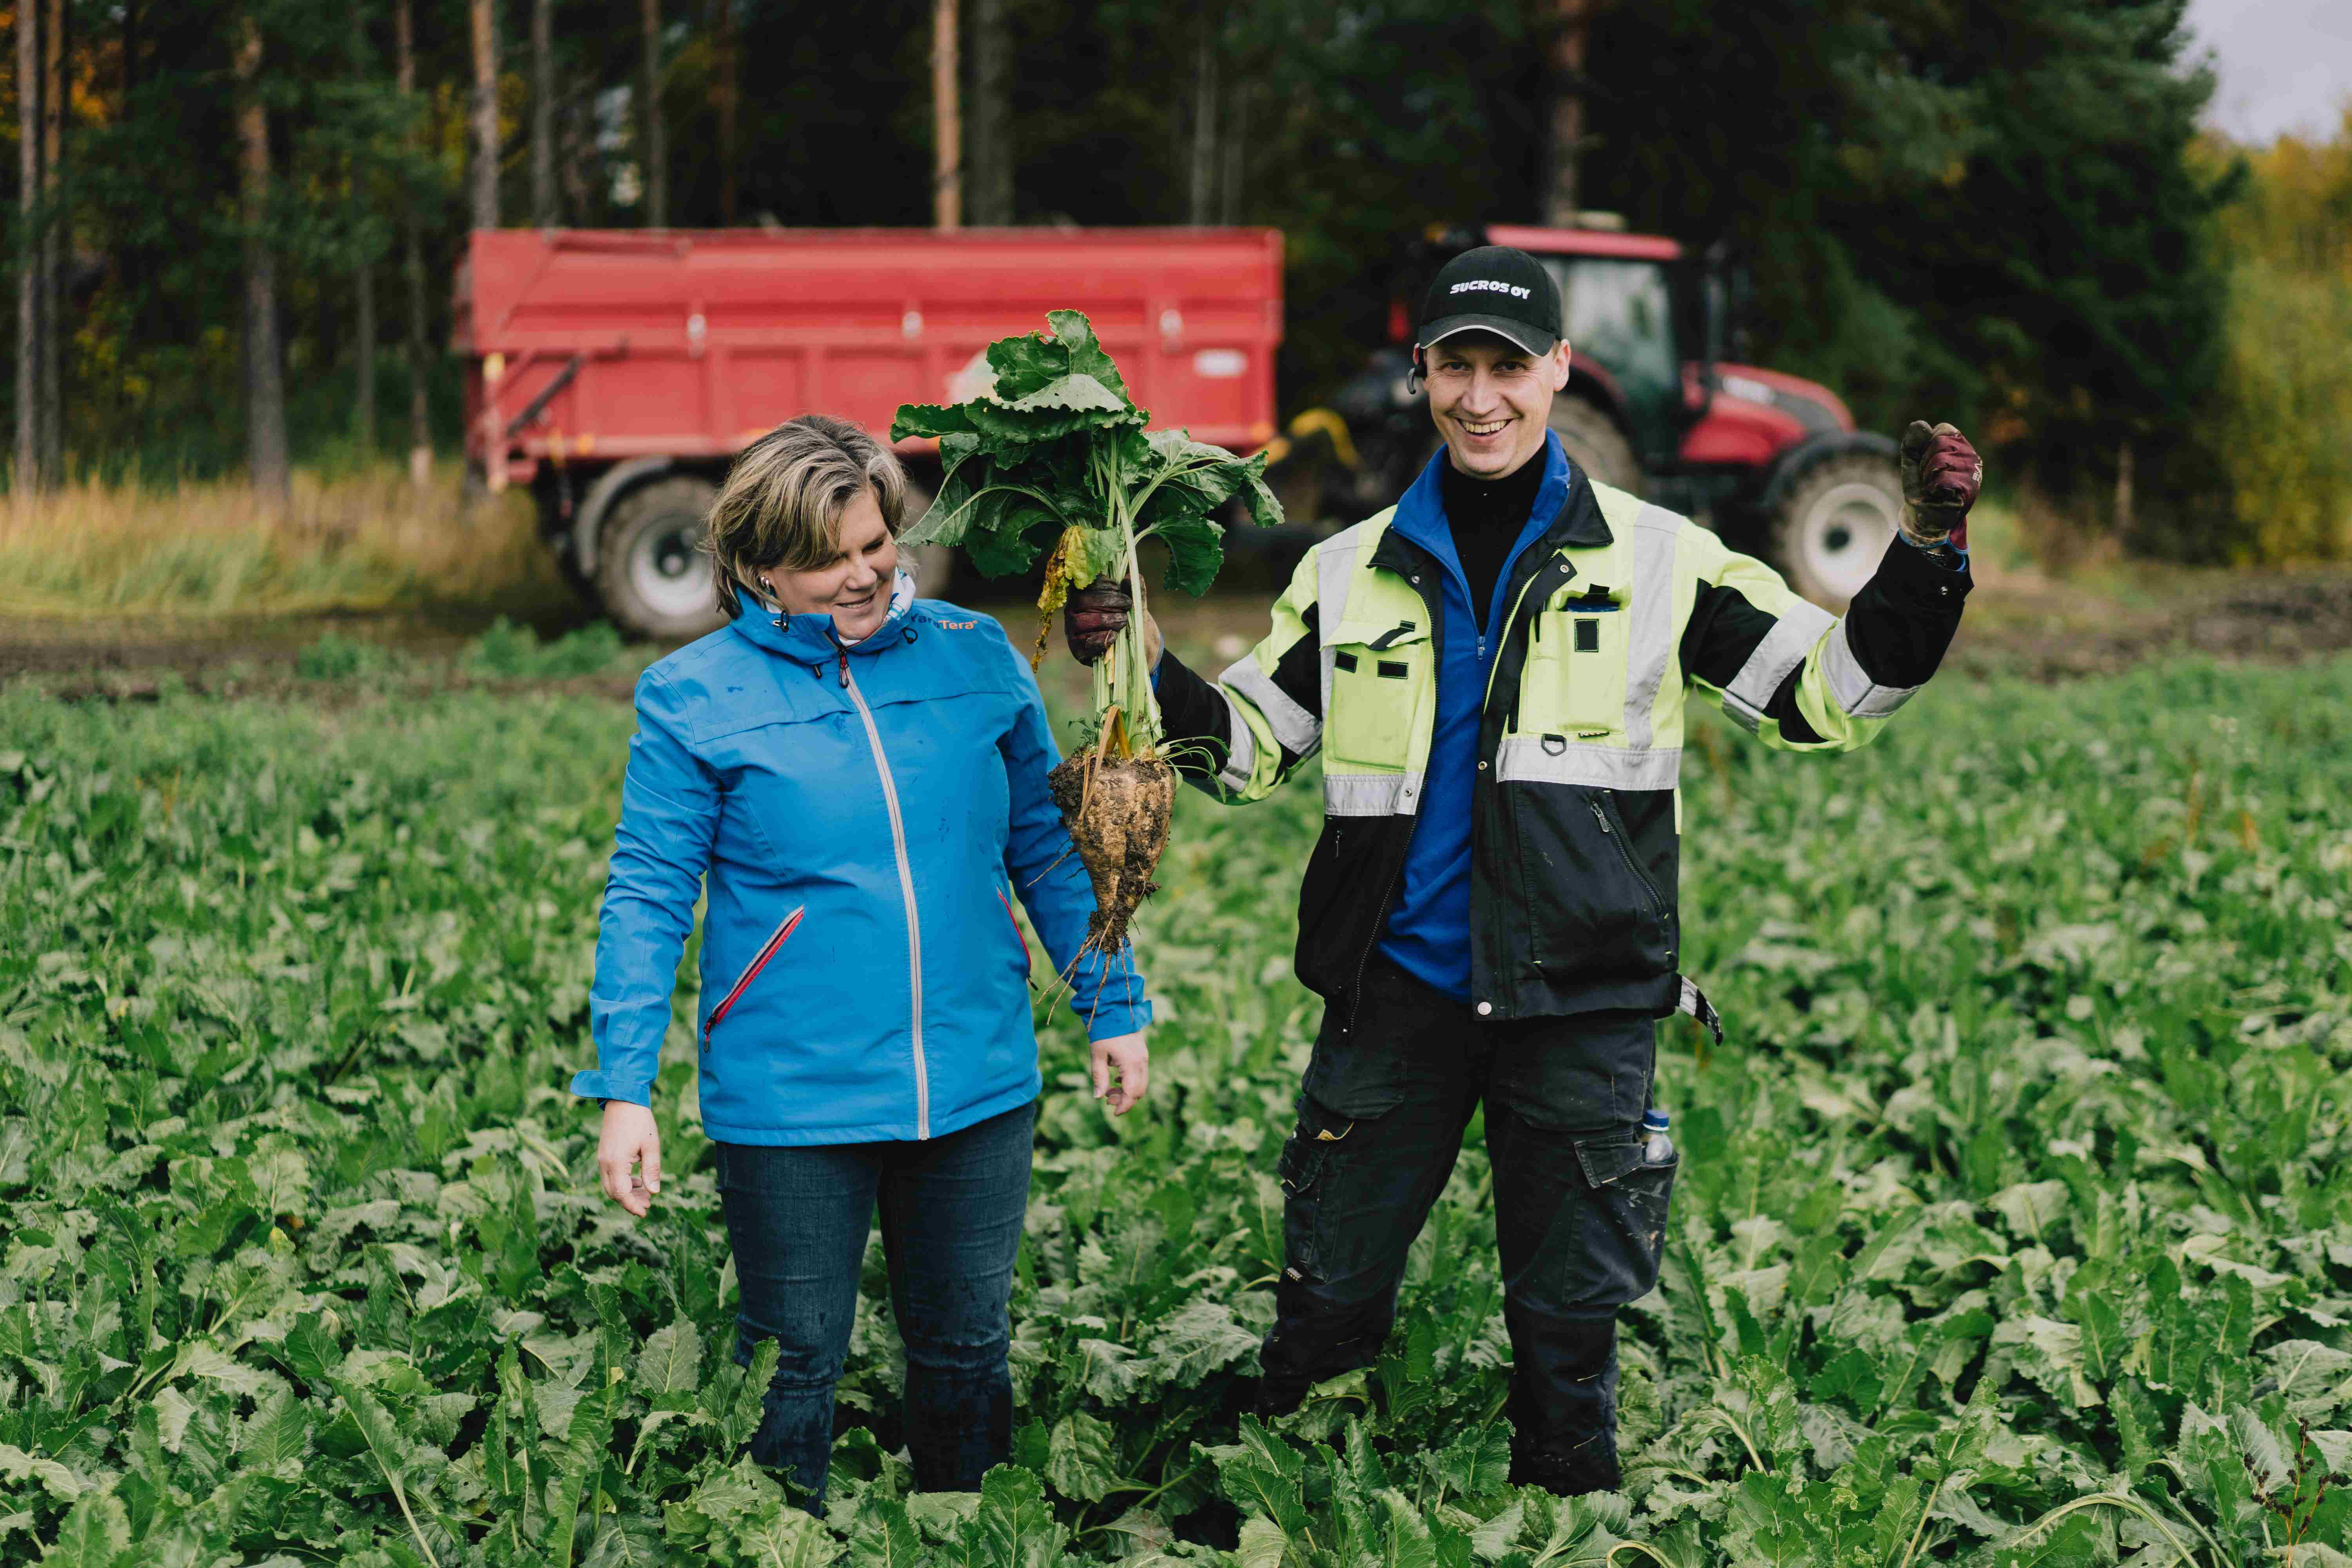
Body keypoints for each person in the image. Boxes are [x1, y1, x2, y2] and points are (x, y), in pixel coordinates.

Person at [1063, 247, 1981, 1495]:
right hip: (1396, 996)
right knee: (1328, 1289)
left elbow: (1833, 692)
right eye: (1456, 367)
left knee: (1569, 1326)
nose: (1480, 397)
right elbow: (1245, 749)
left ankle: (1566, 1505)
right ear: (1424, 379)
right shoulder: (1349, 568)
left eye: (1508, 366)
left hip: (1582, 1000)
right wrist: (1142, 665)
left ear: (1558, 370)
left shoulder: (1665, 560)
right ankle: (1283, 1499)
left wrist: (1925, 555)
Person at [573, 414, 1152, 1510]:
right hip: (794, 1095)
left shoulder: (974, 657)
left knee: (968, 1351)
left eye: (874, 544)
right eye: (823, 559)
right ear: (756, 570)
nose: (861, 576)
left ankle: (961, 1528)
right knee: (790, 1363)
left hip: (975, 1077)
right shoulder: (696, 697)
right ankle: (774, 1533)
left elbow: (1044, 841)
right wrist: (624, 1087)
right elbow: (648, 891)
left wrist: (1111, 1001)